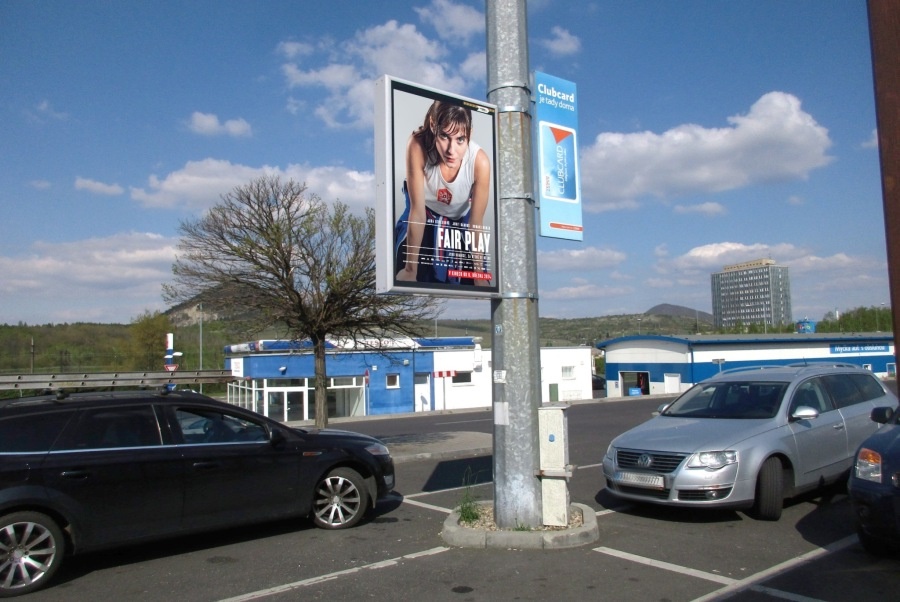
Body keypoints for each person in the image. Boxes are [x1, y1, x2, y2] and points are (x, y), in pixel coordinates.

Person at [394, 100, 492, 286]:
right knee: (403, 260)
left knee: (467, 277)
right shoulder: (417, 145)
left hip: (459, 217)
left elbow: (476, 222)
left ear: (470, 134)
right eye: (444, 136)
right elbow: (417, 211)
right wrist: (410, 270)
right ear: (433, 126)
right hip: (423, 208)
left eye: (460, 139)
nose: (451, 151)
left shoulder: (480, 162)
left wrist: (479, 274)